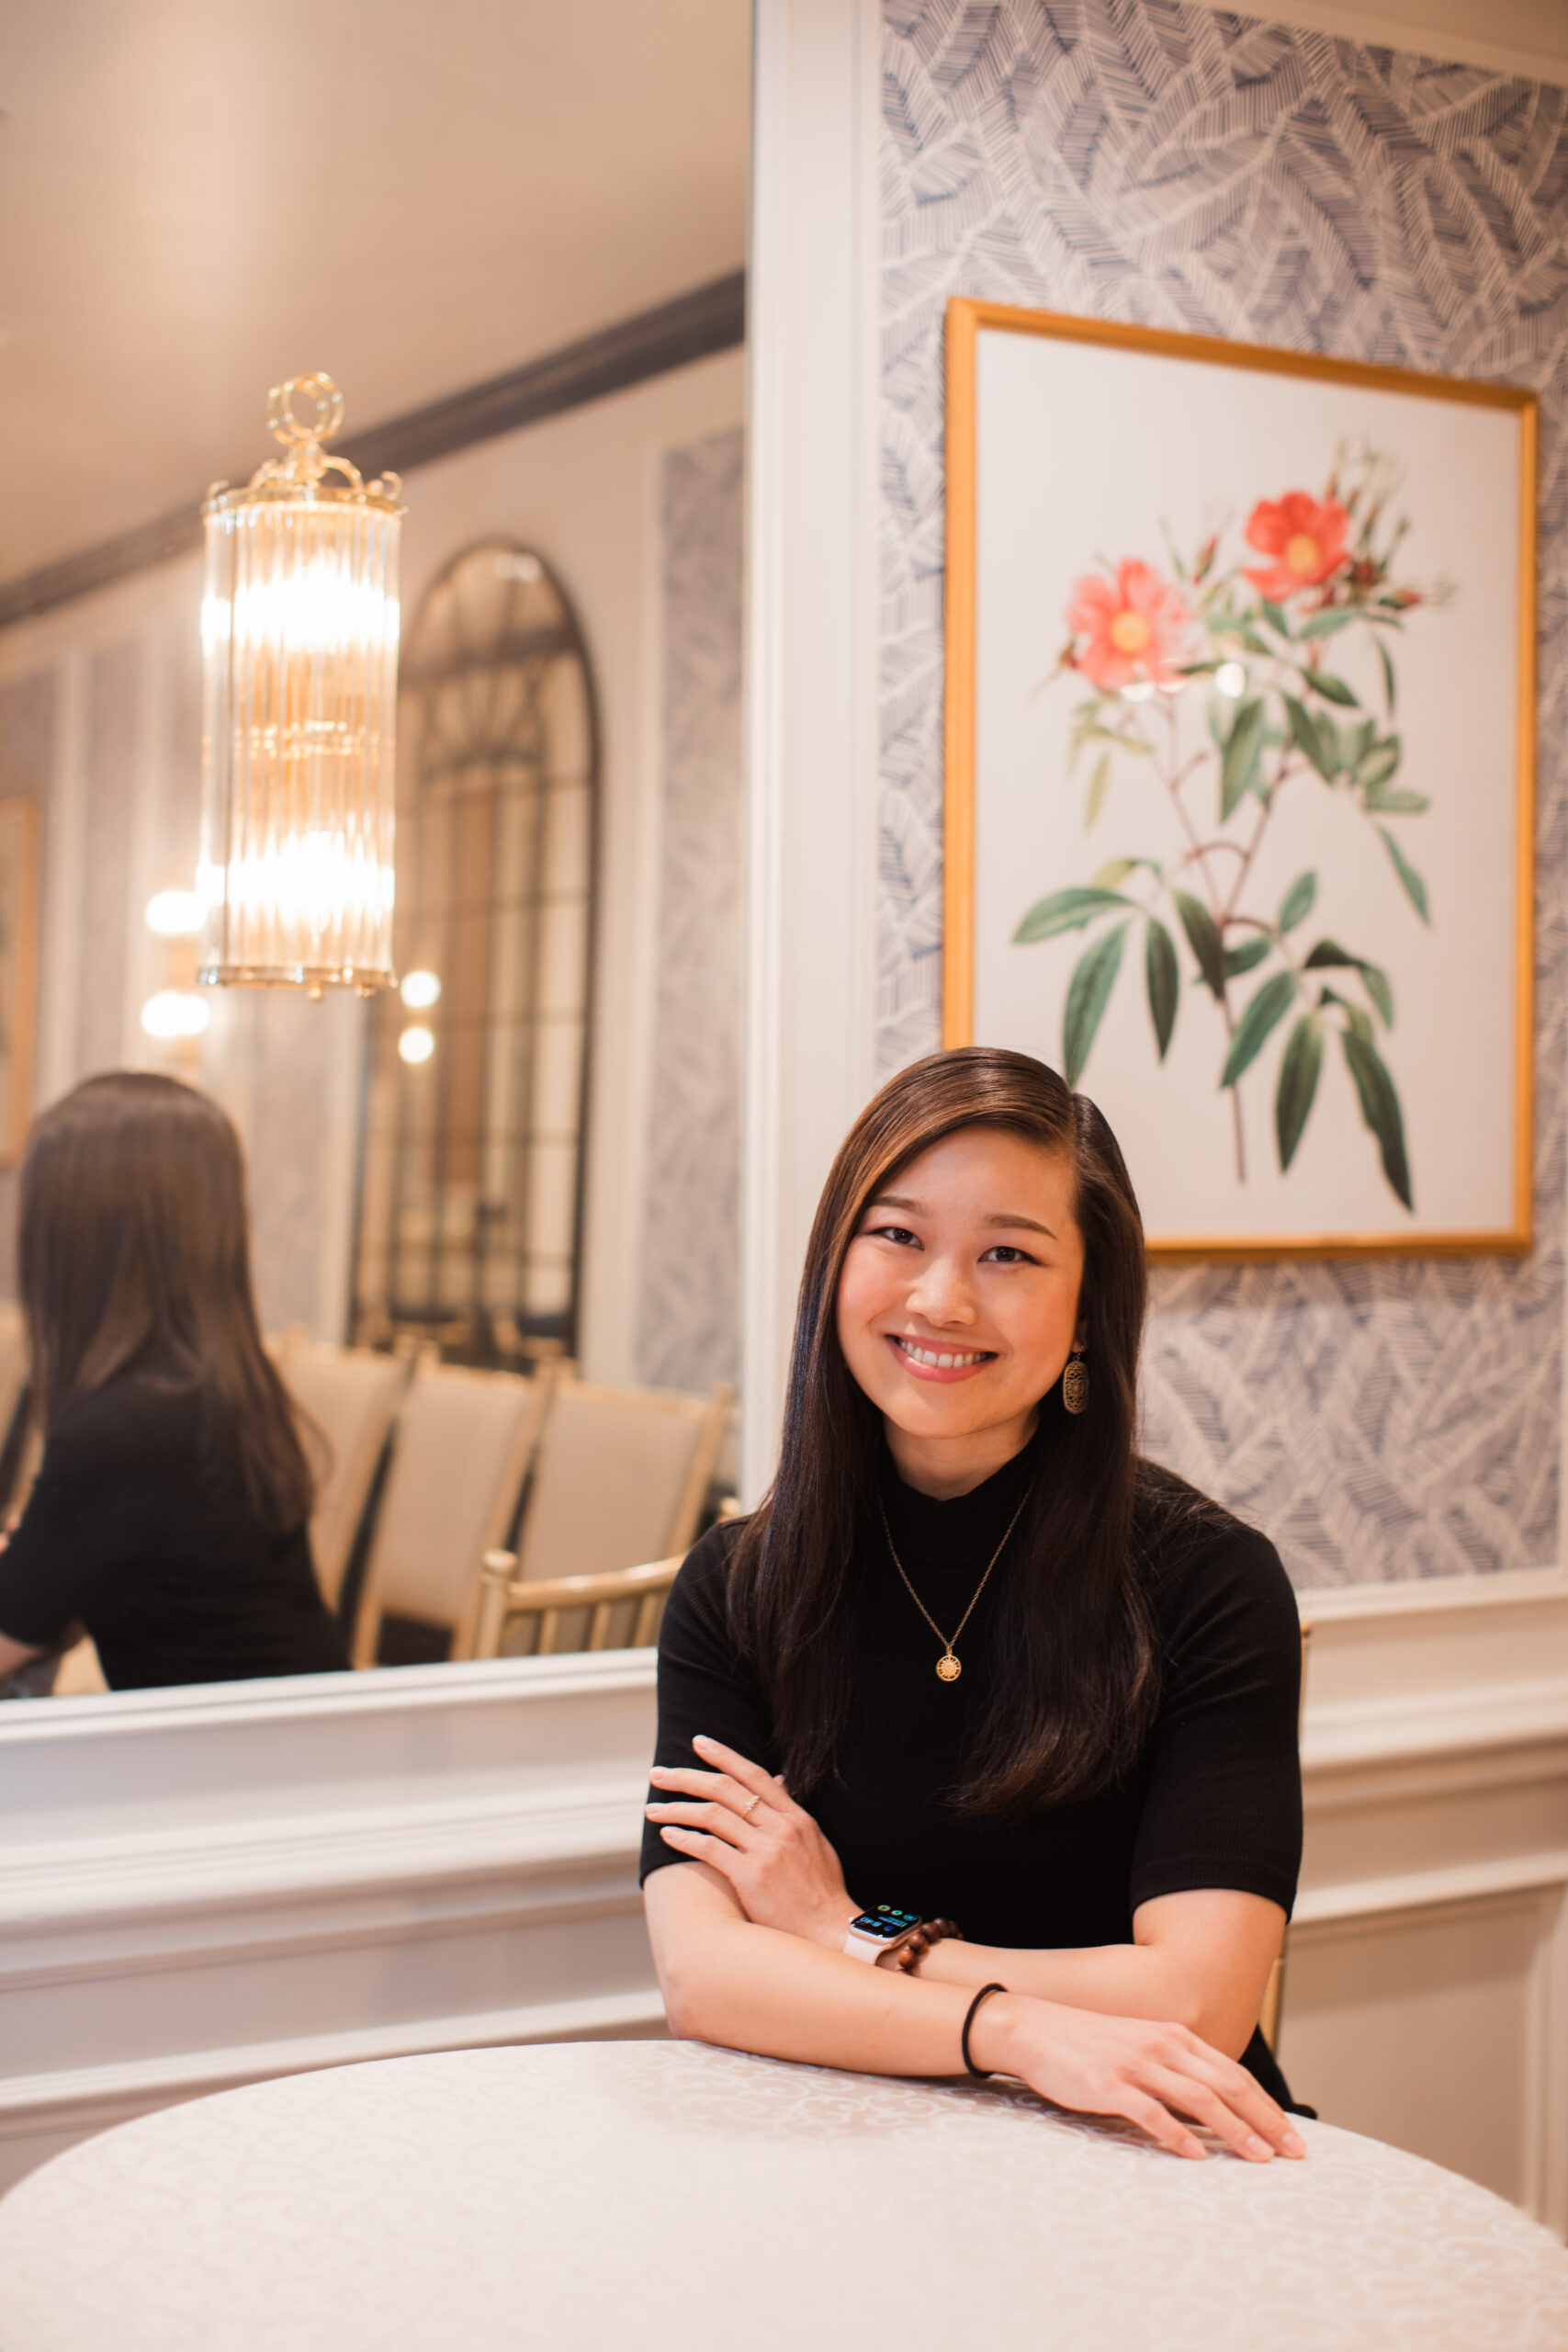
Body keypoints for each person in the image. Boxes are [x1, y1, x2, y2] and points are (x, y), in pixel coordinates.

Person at [641, 1046, 1308, 2165]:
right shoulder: (739, 1585)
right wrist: (1010, 2027)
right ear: (835, 1266)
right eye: (897, 1235)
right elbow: (702, 1973)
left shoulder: (1209, 1583)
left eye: (1008, 1252)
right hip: (842, 2149)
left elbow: (1197, 2004)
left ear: (1089, 1307)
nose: (941, 1297)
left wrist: (839, 1932)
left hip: (1150, 2150)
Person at [0, 1072, 348, 1691]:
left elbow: (12, 1629)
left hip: (232, 1769)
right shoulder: (216, 1385)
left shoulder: (122, 1430)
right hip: (299, 1738)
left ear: (78, 1235)